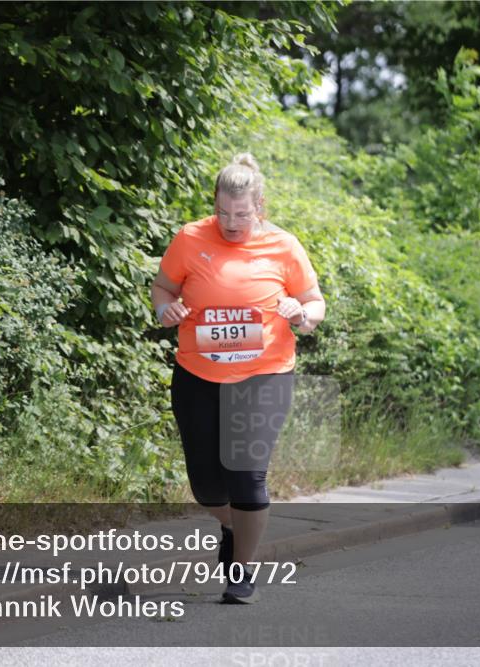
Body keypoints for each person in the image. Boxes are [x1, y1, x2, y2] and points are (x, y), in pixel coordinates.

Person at [151, 153, 325, 603]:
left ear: (260, 206)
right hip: (197, 374)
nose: (231, 223)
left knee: (247, 475)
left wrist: (301, 314)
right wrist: (163, 310)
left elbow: (314, 302)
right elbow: (163, 287)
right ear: (214, 203)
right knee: (207, 486)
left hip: (263, 376)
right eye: (223, 212)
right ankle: (230, 525)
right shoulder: (191, 238)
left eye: (242, 214)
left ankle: (242, 571)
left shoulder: (284, 246)